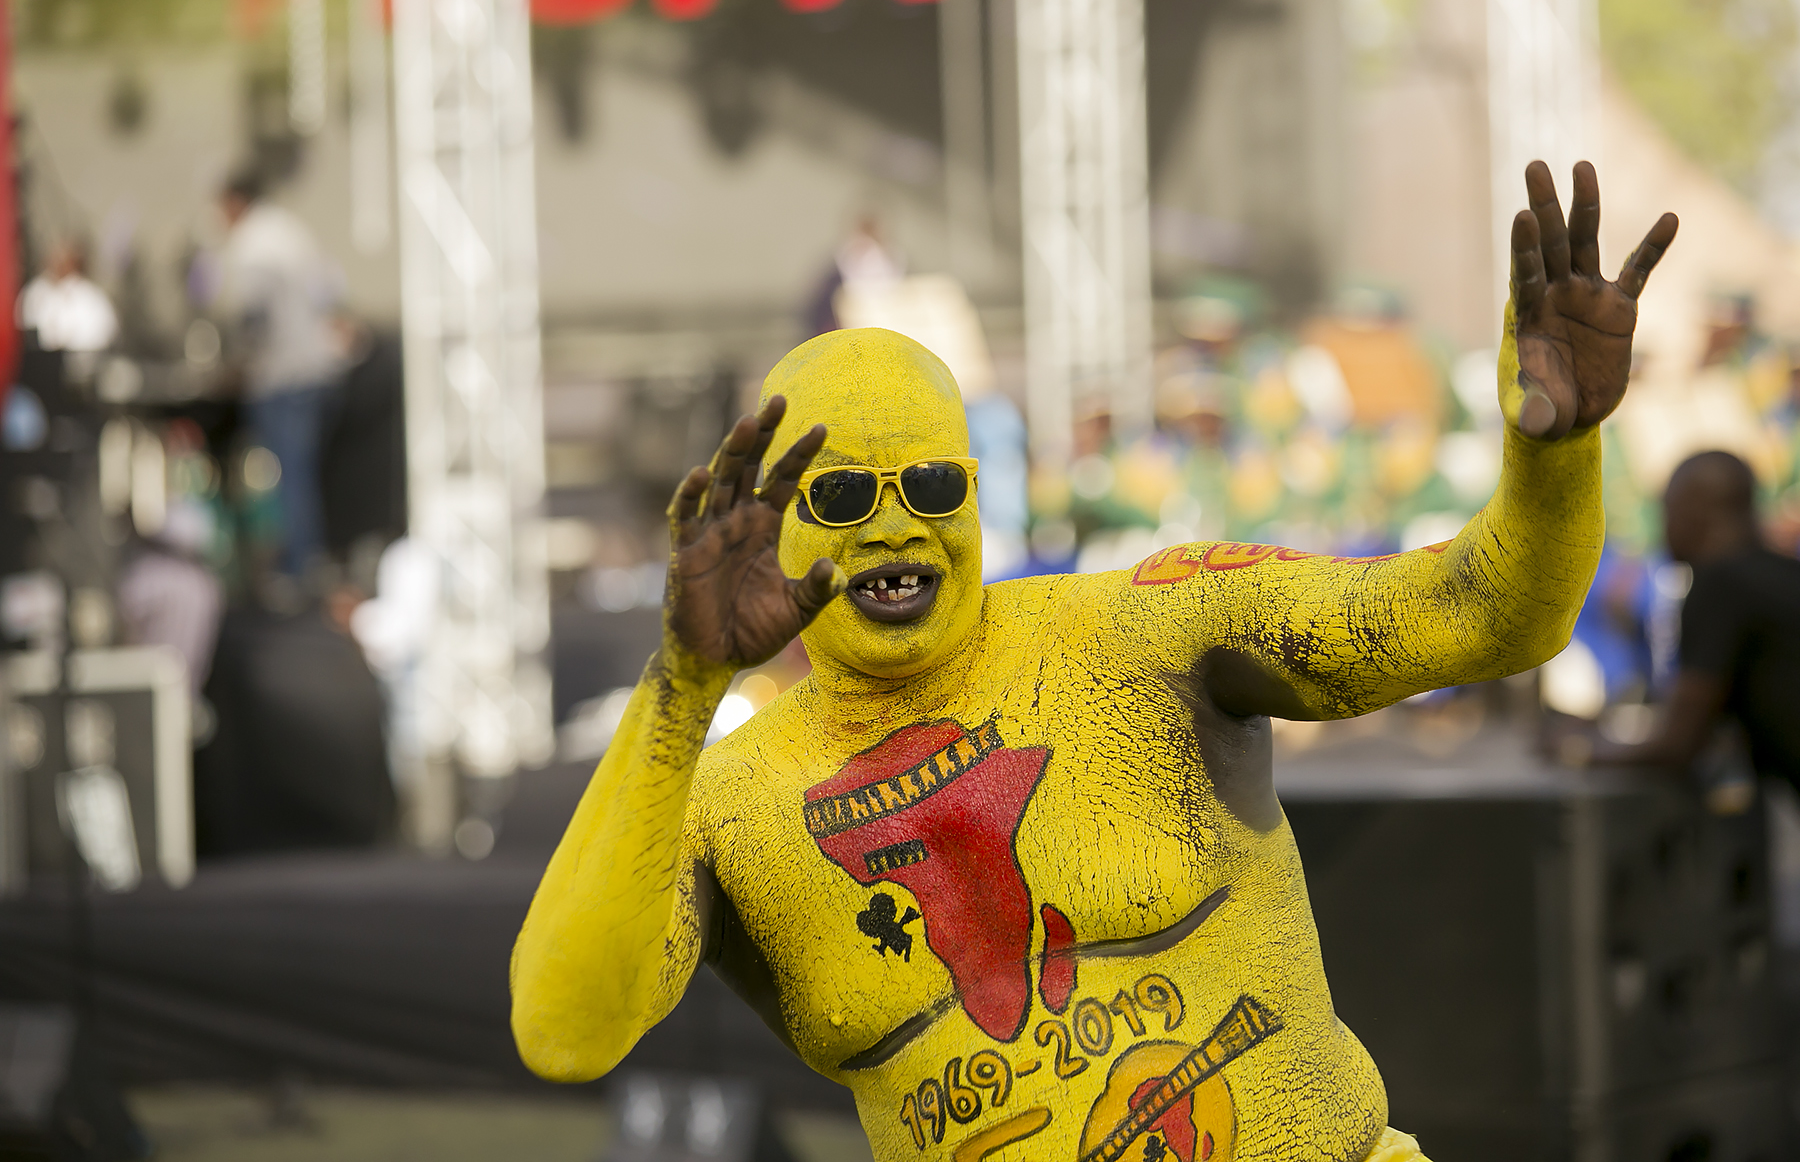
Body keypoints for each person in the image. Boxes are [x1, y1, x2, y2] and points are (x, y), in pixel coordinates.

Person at [512, 163, 1677, 1161]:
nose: (893, 528)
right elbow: (564, 1030)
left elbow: (1481, 615)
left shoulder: (1148, 630)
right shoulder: (731, 804)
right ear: (775, 524)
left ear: (975, 493)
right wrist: (682, 686)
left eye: (928, 487)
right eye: (844, 497)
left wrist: (1556, 455)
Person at [1593, 451, 1800, 779]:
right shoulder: (1779, 574)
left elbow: (1679, 745)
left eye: (1667, 510)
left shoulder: (1720, 585)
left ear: (1694, 512)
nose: (1664, 528)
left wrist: (1582, 753)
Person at [216, 168, 346, 581]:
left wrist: (237, 362)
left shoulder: (254, 243)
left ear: (235, 201)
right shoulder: (291, 231)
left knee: (289, 476)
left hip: (283, 375)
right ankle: (309, 562)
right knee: (305, 475)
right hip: (317, 369)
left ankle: (297, 571)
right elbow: (331, 292)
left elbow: (254, 317)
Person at [16, 239, 118, 355]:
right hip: (36, 361)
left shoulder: (91, 299)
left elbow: (100, 337)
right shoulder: (35, 292)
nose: (57, 262)